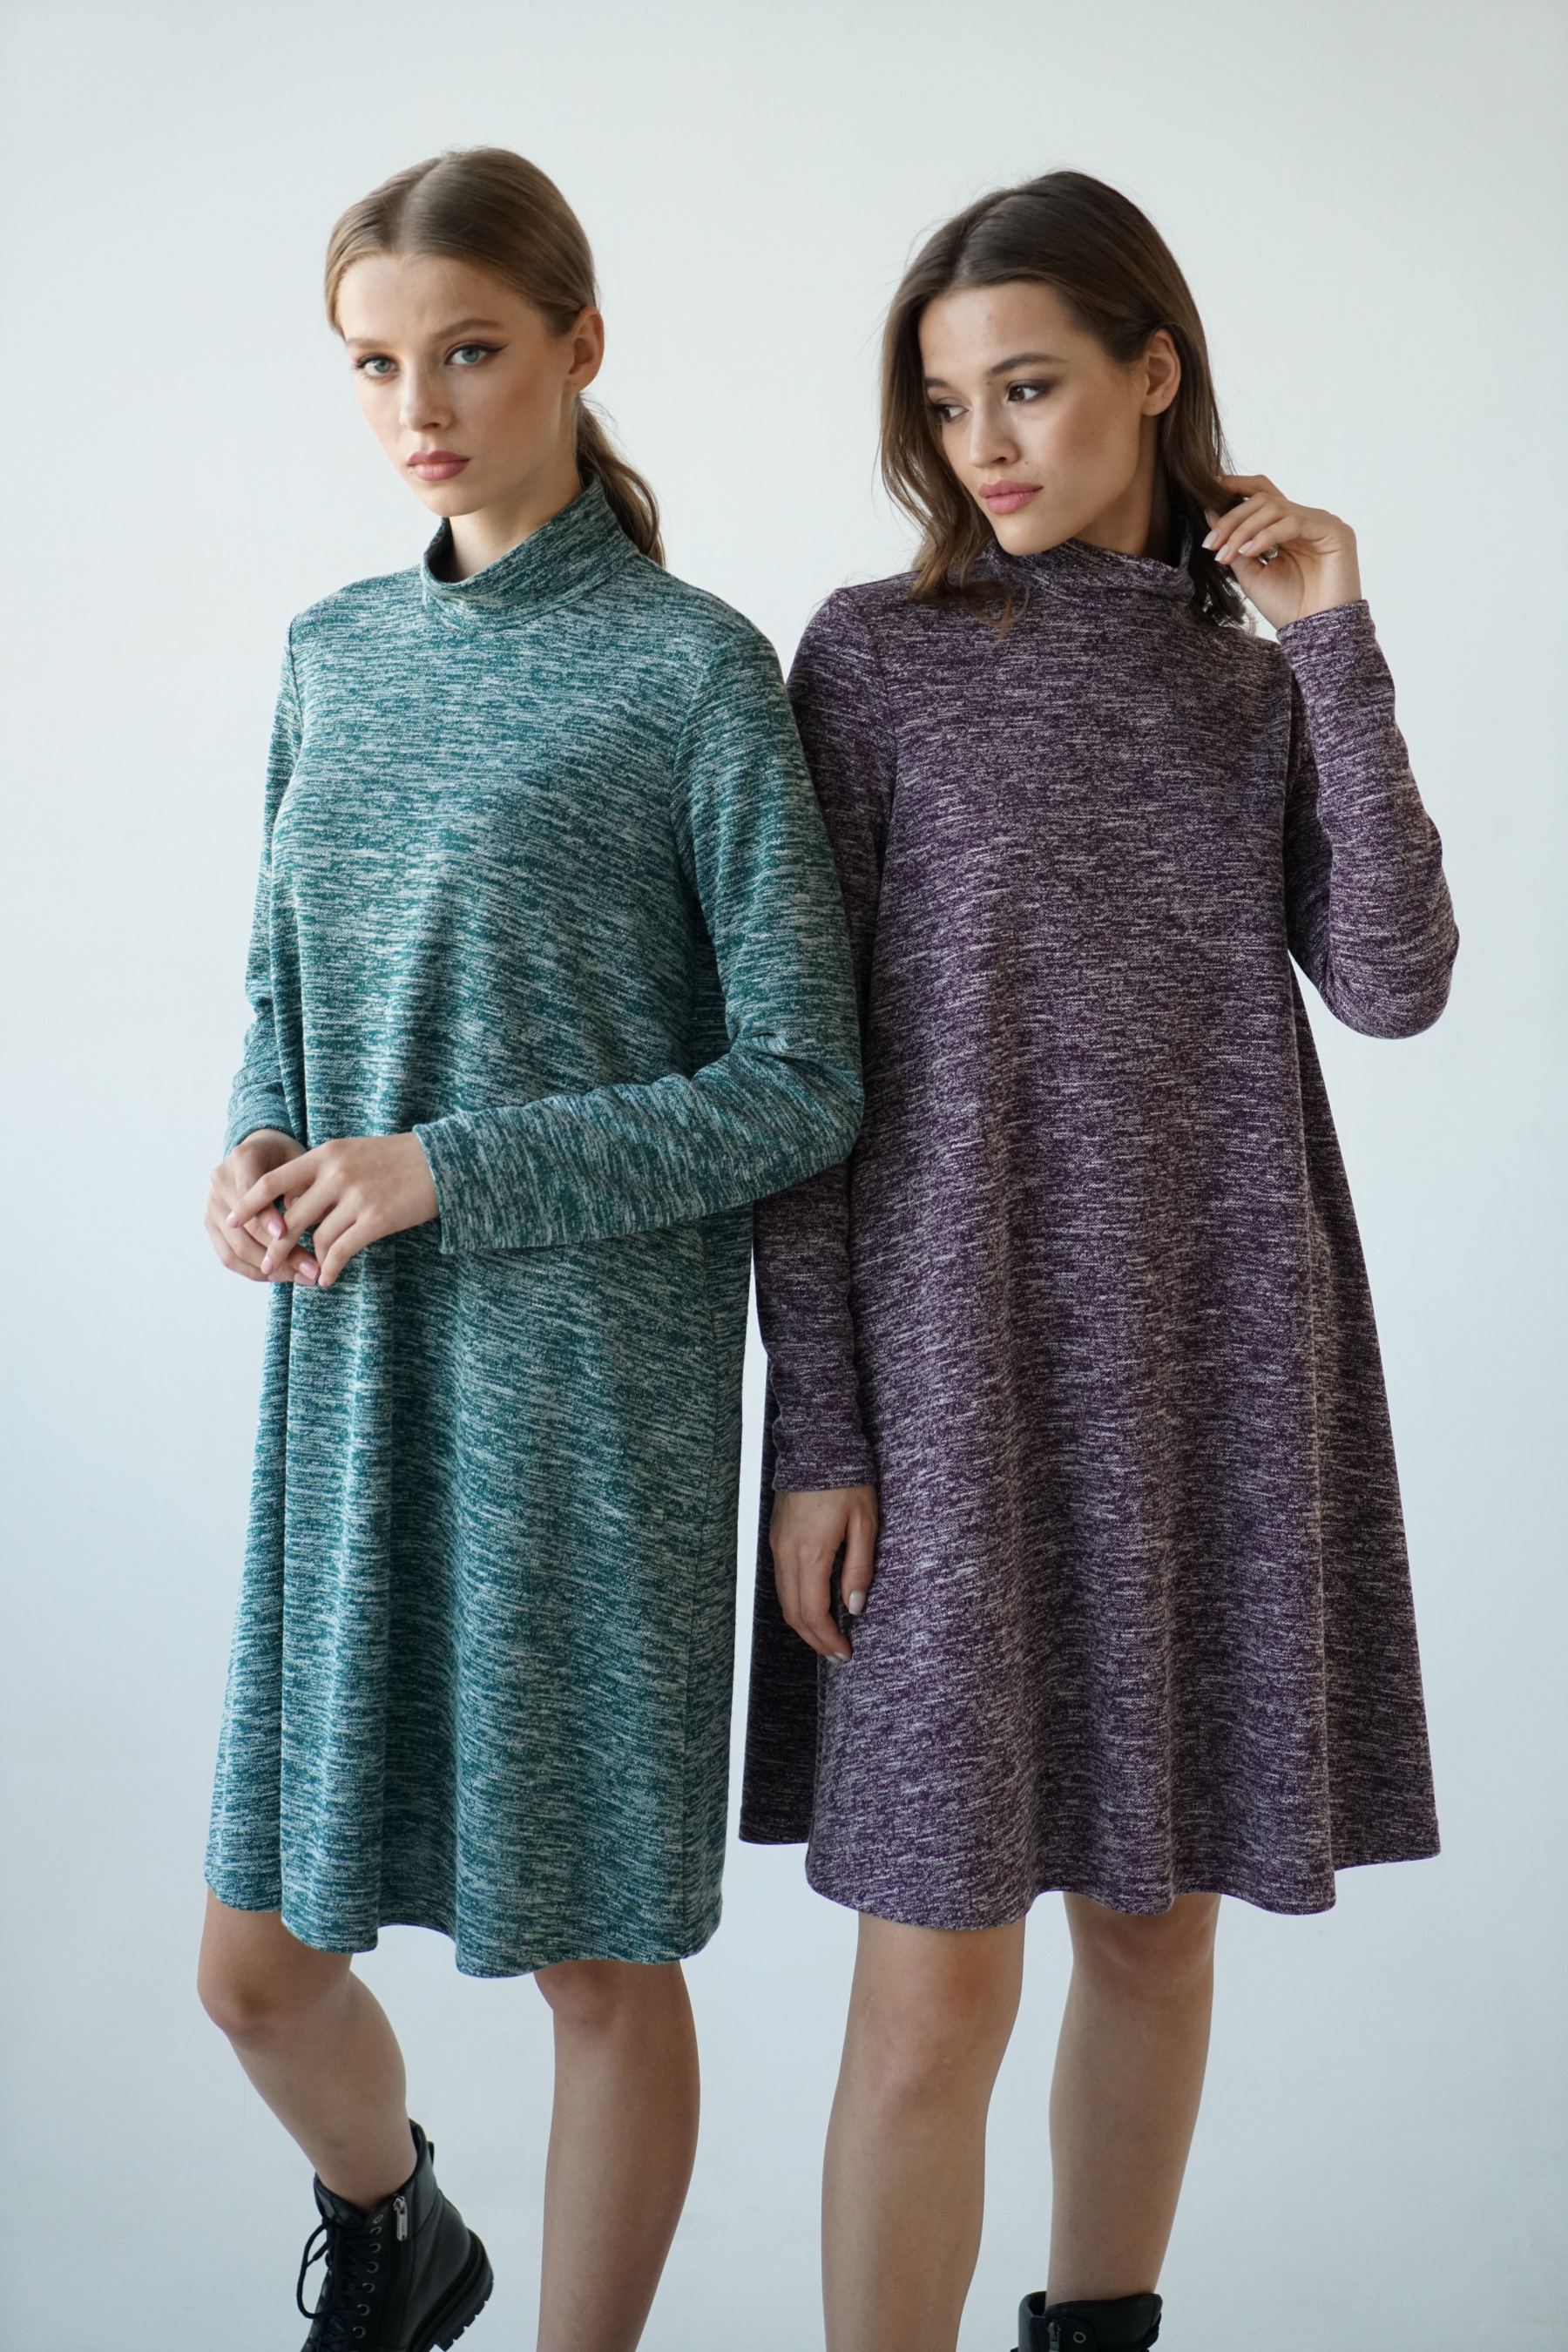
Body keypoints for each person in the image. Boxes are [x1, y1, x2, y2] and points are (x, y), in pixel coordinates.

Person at [741, 170, 1456, 2352]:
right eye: (951, 403)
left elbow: (1398, 981)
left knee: (1157, 1929)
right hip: (952, 1376)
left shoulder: (1255, 687)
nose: (986, 444)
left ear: (1157, 372)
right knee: (935, 1979)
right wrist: (824, 1432)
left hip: (1219, 1349)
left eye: (1031, 388)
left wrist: (1335, 642)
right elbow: (803, 1082)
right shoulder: (872, 659)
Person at [198, 145, 860, 2352]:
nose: (421, 404)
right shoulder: (330, 651)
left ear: (580, 346)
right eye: (374, 362)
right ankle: (400, 2232)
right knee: (255, 1963)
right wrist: (258, 1141)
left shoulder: (693, 673)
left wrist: (447, 1169)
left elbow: (801, 1082)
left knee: (595, 1958)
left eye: (469, 350)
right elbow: (287, 995)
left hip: (588, 1400)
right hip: (351, 1376)